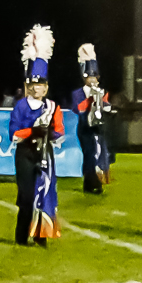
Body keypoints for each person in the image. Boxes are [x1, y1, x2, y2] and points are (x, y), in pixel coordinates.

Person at [10, 26, 64, 245]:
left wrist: (50, 133)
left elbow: (60, 133)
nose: (36, 88)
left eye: (40, 84)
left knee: (44, 194)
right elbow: (14, 133)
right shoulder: (21, 106)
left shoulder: (53, 107)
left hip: (45, 153)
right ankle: (21, 236)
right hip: (25, 153)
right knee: (26, 195)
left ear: (46, 87)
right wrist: (33, 131)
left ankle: (41, 236)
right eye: (33, 84)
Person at [71, 43, 113, 195]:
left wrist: (103, 103)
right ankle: (90, 181)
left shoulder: (102, 91)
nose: (93, 79)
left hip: (98, 128)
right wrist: (90, 99)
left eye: (95, 76)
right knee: (89, 154)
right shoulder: (78, 93)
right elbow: (77, 108)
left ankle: (96, 182)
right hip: (85, 129)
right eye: (89, 76)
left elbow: (107, 106)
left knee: (100, 154)